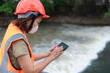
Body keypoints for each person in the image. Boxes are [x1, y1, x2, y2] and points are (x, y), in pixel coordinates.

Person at [0, 0, 63, 73]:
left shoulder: (13, 28)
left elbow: (25, 57)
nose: (37, 25)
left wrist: (48, 54)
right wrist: (52, 57)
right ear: (29, 19)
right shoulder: (18, 41)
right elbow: (30, 71)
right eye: (37, 22)